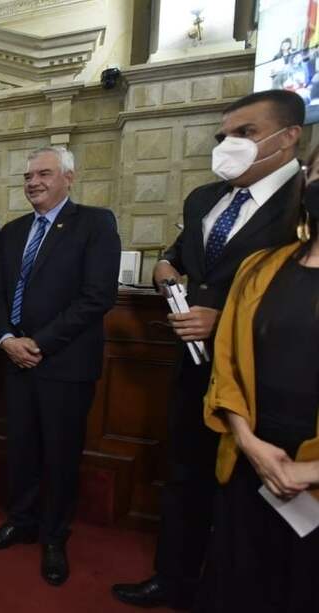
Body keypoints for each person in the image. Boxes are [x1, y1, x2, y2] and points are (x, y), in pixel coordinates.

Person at [112, 89, 304, 609]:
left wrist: (226, 320)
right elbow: (176, 259)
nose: (229, 145)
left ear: (289, 138)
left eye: (245, 133)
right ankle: (172, 577)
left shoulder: (302, 202)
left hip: (266, 381)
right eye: (224, 135)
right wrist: (163, 272)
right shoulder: (203, 199)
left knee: (249, 498)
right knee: (185, 476)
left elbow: (297, 291)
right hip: (195, 372)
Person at [0, 146, 120, 586]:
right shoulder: (13, 230)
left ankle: (55, 537)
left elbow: (97, 297)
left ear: (68, 177)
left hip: (64, 363)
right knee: (21, 448)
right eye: (27, 176)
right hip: (15, 361)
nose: (33, 182)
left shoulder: (95, 224)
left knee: (60, 455)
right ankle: (21, 521)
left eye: (43, 173)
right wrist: (5, 339)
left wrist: (37, 342)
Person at [192, 178, 319, 613]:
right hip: (250, 454)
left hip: (311, 471)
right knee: (238, 580)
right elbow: (225, 362)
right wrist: (248, 441)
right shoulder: (260, 267)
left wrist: (310, 472)